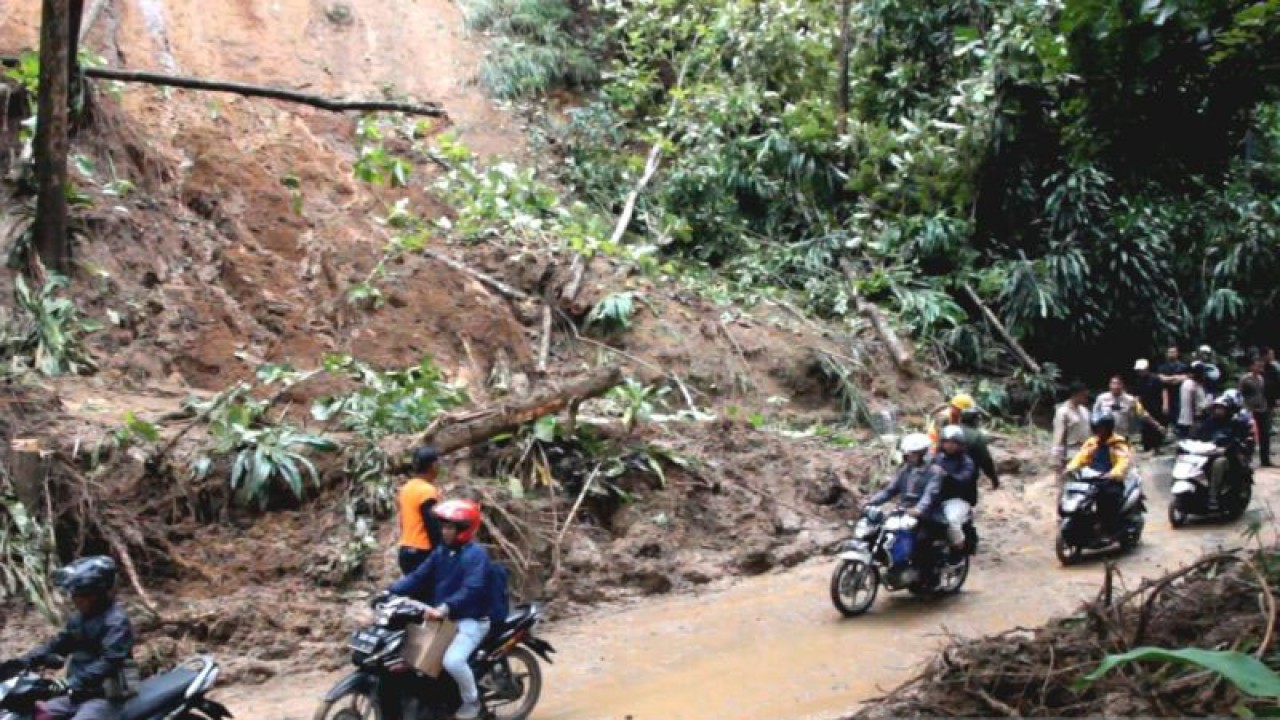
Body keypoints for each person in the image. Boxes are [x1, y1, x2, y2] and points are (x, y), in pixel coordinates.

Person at [388, 499, 492, 720]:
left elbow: (472, 588)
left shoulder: (476, 555)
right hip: (445, 619)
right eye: (443, 527)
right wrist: (390, 591)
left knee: (452, 661)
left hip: (470, 620)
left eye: (450, 527)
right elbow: (418, 576)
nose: (444, 531)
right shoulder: (442, 552)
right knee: (412, 656)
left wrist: (445, 607)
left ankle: (473, 702)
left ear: (463, 529)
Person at [21, 557, 134, 720]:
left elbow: (109, 662)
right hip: (78, 694)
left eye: (80, 594)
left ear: (97, 594)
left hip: (105, 697)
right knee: (34, 714)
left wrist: (71, 682)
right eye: (74, 594)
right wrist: (23, 662)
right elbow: (59, 644)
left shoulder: (116, 622)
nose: (75, 599)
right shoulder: (79, 619)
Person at [1065, 411, 1131, 539]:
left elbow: (1123, 462)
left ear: (1108, 428)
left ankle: (1111, 529)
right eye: (1096, 428)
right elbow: (1081, 456)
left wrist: (1113, 473)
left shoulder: (1118, 443)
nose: (1098, 431)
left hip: (1111, 480)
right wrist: (1070, 467)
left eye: (1101, 428)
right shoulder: (1092, 442)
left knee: (1108, 498)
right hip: (1093, 478)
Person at [1194, 395, 1254, 511]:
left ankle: (1213, 496)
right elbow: (1198, 437)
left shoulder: (1235, 423)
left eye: (1221, 408)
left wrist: (1227, 448)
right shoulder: (1209, 422)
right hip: (1207, 453)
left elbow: (1239, 439)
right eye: (1216, 408)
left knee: (1219, 463)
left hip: (1229, 457)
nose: (1218, 411)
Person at [933, 425, 980, 559]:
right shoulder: (936, 458)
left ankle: (959, 549)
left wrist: (947, 476)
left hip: (958, 498)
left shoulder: (967, 462)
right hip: (935, 497)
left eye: (953, 442)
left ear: (960, 444)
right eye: (946, 442)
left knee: (951, 522)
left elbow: (964, 479)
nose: (950, 445)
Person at [398, 446, 445, 576]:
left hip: (405, 550)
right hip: (422, 552)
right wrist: (441, 551)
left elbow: (403, 520)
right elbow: (431, 524)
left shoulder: (406, 488)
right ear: (433, 465)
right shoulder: (427, 491)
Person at [1094, 375, 1165, 441]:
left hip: (1122, 436)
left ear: (1122, 385)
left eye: (1118, 383)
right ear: (1109, 385)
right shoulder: (1101, 398)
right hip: (1104, 436)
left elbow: (1143, 413)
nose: (1116, 386)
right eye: (1113, 383)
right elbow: (1094, 414)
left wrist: (1157, 426)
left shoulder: (1130, 399)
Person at [1242, 355, 1274, 467]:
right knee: (1250, 435)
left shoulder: (1261, 378)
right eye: (1257, 365)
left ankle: (1265, 459)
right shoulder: (1245, 379)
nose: (1259, 367)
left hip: (1262, 408)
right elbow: (1241, 394)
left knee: (1265, 433)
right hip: (1250, 409)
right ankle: (1246, 460)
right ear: (1251, 367)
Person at [1051, 382, 1092, 470]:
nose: (1086, 397)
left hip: (1085, 451)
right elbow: (1058, 435)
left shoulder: (1084, 411)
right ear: (1075, 394)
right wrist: (1057, 459)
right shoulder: (1063, 411)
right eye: (1083, 395)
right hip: (1071, 451)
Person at [960, 408, 1000, 491]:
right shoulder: (977, 436)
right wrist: (994, 479)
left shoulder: (950, 431)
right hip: (967, 478)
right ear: (975, 421)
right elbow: (986, 461)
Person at [1133, 359, 1168, 453]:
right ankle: (1148, 448)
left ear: (1146, 369)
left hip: (1157, 406)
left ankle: (1157, 448)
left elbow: (1164, 391)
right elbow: (1137, 395)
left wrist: (1165, 404)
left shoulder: (1155, 378)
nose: (1139, 372)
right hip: (1145, 408)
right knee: (1146, 429)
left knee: (1158, 428)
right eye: (1138, 370)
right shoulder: (1138, 381)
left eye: (1141, 370)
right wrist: (1138, 406)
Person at [1158, 346, 1190, 425]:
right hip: (1167, 394)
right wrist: (1175, 377)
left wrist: (1169, 379)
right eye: (1170, 352)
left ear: (1177, 353)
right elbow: (1162, 379)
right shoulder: (1162, 367)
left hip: (1181, 394)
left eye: (1173, 352)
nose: (1172, 354)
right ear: (1167, 354)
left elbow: (1186, 377)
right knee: (1168, 416)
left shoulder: (1183, 366)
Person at [1176, 362, 1209, 438]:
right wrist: (1195, 419)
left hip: (1185, 419)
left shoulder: (1189, 383)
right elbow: (1192, 403)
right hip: (1192, 421)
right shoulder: (1192, 385)